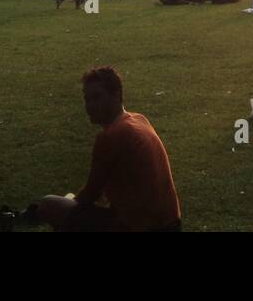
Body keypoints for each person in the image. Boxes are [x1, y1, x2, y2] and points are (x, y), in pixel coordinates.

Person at [30, 67, 182, 231]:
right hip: (171, 224)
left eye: (97, 97)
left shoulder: (112, 135)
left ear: (116, 95)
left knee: (49, 204)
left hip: (144, 227)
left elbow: (90, 194)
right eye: (87, 99)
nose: (90, 105)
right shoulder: (139, 119)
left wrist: (67, 201)